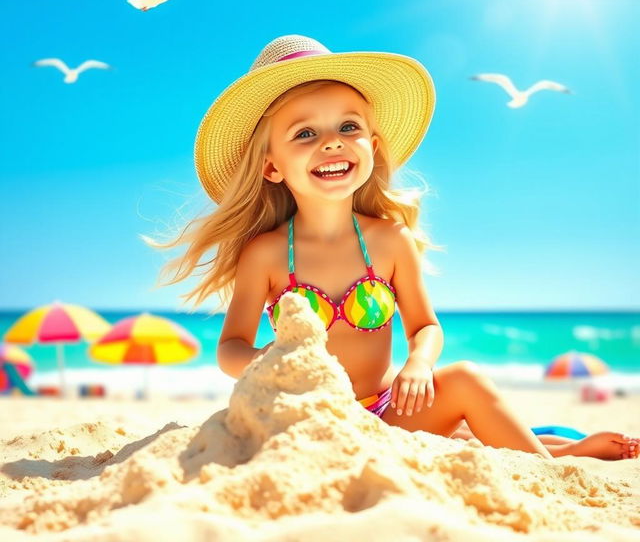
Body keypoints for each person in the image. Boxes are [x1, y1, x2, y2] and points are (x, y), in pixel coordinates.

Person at [147, 34, 638, 461]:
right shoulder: (268, 253)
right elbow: (230, 349)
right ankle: (563, 448)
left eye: (348, 127)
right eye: (305, 133)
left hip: (387, 413)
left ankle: (554, 467)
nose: (332, 143)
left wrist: (418, 364)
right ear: (271, 166)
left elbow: (425, 328)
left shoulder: (390, 240)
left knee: (465, 378)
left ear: (373, 146)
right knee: (465, 435)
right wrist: (267, 357)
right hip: (311, 421)